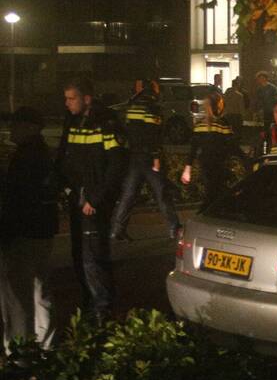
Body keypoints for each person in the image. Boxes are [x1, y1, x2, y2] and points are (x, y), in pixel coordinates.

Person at [57, 76, 127, 325]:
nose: (67, 103)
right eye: (65, 98)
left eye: (71, 98)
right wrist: (64, 186)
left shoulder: (105, 122)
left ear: (87, 98)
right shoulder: (73, 120)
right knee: (80, 257)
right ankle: (91, 304)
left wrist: (96, 199)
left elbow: (117, 164)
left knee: (93, 259)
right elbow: (65, 156)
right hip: (77, 198)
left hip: (93, 203)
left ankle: (103, 312)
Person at [0, 107, 58, 353]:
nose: (12, 129)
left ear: (30, 127)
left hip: (23, 235)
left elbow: (16, 201)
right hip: (42, 232)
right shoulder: (42, 153)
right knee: (39, 290)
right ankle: (47, 347)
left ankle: (20, 353)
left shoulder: (26, 158)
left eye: (17, 124)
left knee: (17, 296)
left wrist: (7, 235)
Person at [110, 80, 181, 241]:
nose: (159, 91)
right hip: (148, 157)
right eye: (157, 89)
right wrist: (156, 156)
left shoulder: (132, 107)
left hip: (134, 156)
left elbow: (127, 130)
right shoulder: (152, 107)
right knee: (161, 193)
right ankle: (174, 228)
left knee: (128, 194)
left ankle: (116, 230)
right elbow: (153, 133)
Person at [181, 90, 243, 207]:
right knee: (215, 197)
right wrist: (246, 160)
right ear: (219, 106)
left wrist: (187, 169)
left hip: (205, 166)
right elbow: (233, 147)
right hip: (219, 166)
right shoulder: (222, 124)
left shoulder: (199, 125)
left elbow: (193, 149)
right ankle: (203, 220)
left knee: (212, 195)